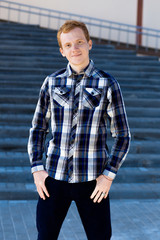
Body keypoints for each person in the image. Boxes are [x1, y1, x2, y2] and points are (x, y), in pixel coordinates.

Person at [28, 20, 131, 240]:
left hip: (93, 181)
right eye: (68, 45)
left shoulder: (107, 83)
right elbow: (38, 128)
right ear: (62, 51)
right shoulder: (51, 83)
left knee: (100, 237)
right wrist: (37, 168)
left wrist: (108, 176)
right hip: (54, 179)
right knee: (45, 236)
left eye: (79, 42)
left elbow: (123, 135)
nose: (74, 48)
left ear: (89, 44)